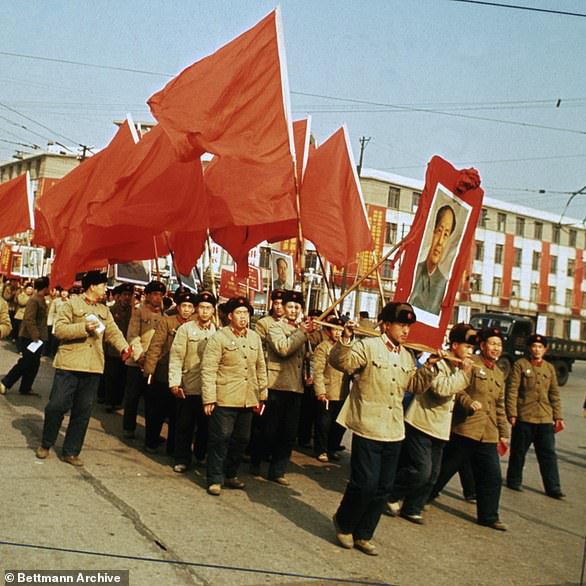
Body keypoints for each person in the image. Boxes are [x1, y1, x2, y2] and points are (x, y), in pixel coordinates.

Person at [329, 302, 437, 555]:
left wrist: (430, 368)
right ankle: (344, 523)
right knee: (365, 483)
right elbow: (341, 363)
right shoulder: (368, 347)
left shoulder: (407, 355)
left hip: (394, 429)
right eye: (401, 325)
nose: (406, 330)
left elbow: (414, 385)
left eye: (408, 326)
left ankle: (364, 534)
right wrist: (345, 339)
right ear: (386, 325)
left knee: (383, 488)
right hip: (368, 424)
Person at [35, 271, 130, 466]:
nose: (106, 289)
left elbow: (113, 332)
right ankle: (46, 443)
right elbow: (59, 330)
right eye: (103, 285)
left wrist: (124, 348)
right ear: (92, 286)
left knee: (82, 411)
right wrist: (83, 328)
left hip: (93, 367)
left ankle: (71, 451)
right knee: (57, 406)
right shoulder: (72, 304)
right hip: (68, 364)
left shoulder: (104, 310)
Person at [386, 323, 475, 524]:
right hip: (421, 422)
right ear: (454, 345)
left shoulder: (458, 366)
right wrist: (464, 375)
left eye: (472, 348)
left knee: (433, 475)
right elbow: (441, 389)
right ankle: (389, 494)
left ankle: (412, 507)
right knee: (420, 470)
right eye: (466, 346)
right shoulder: (439, 362)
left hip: (440, 428)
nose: (470, 351)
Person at [431, 327, 510, 531]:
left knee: (492, 475)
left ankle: (489, 516)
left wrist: (504, 433)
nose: (496, 348)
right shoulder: (470, 364)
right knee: (446, 469)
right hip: (467, 428)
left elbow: (499, 406)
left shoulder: (499, 373)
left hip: (488, 433)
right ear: (482, 346)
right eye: (492, 344)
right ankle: (421, 498)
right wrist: (469, 403)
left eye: (499, 345)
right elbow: (459, 390)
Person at [201, 296, 267, 496]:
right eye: (239, 313)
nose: (243, 317)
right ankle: (214, 478)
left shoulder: (254, 338)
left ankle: (231, 474)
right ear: (230, 316)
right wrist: (209, 398)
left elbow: (260, 367)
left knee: (241, 439)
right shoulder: (219, 338)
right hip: (224, 397)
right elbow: (209, 369)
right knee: (221, 438)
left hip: (248, 398)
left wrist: (262, 394)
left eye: (246, 313)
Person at [250, 290, 314, 485]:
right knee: (269, 429)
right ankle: (256, 461)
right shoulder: (275, 327)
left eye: (297, 307)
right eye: (290, 307)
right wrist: (302, 332)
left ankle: (278, 470)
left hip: (295, 387)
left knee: (288, 432)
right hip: (276, 383)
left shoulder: (303, 330)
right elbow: (283, 348)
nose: (293, 311)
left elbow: (307, 356)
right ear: (283, 308)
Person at [505, 334, 565, 499]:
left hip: (545, 417)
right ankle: (514, 480)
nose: (537, 350)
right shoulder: (520, 365)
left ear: (545, 350)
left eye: (540, 347)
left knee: (548, 454)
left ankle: (553, 487)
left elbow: (554, 393)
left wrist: (558, 416)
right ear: (529, 348)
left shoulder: (549, 368)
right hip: (525, 416)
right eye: (534, 346)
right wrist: (512, 413)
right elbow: (512, 391)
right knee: (518, 452)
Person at [143, 290, 197, 455]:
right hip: (164, 372)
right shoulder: (167, 322)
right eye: (183, 306)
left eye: (190, 306)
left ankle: (173, 447)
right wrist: (150, 371)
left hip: (185, 376)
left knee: (178, 415)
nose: (186, 310)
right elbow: (155, 346)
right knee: (158, 411)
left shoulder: (196, 326)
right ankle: (151, 441)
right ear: (178, 307)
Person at [168, 291, 217, 472]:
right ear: (197, 309)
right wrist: (174, 382)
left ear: (213, 310)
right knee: (184, 426)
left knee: (205, 426)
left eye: (208, 308)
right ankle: (182, 459)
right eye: (202, 308)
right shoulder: (186, 330)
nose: (205, 312)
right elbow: (176, 358)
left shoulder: (217, 332)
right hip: (188, 385)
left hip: (208, 388)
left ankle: (200, 454)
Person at [122, 280, 166, 439]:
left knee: (151, 400)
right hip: (136, 362)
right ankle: (128, 427)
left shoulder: (164, 314)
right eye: (154, 294)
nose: (157, 297)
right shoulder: (138, 312)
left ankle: (151, 433)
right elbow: (132, 335)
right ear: (147, 295)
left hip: (153, 362)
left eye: (160, 294)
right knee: (133, 396)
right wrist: (139, 356)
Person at [0, 277, 50, 396]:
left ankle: (25, 387)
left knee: (34, 364)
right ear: (46, 287)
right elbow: (29, 319)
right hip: (30, 337)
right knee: (26, 362)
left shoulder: (42, 299)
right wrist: (35, 336)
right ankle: (5, 382)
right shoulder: (34, 300)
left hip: (38, 338)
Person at [312, 315, 348, 462]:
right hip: (327, 391)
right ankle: (321, 450)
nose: (338, 333)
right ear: (328, 331)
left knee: (339, 424)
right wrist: (320, 391)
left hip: (342, 391)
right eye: (335, 330)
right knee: (323, 424)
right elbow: (318, 371)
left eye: (340, 330)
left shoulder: (346, 348)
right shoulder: (323, 348)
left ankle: (332, 448)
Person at [409, 205, 456, 315]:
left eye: (445, 235)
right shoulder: (414, 271)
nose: (440, 242)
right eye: (439, 231)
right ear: (432, 232)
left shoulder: (444, 284)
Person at [102, 284, 133, 412]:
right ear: (119, 297)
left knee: (122, 378)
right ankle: (109, 401)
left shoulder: (134, 312)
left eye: (129, 295)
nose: (127, 297)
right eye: (125, 295)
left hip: (127, 349)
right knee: (111, 376)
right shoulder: (111, 310)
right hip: (113, 350)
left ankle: (118, 401)